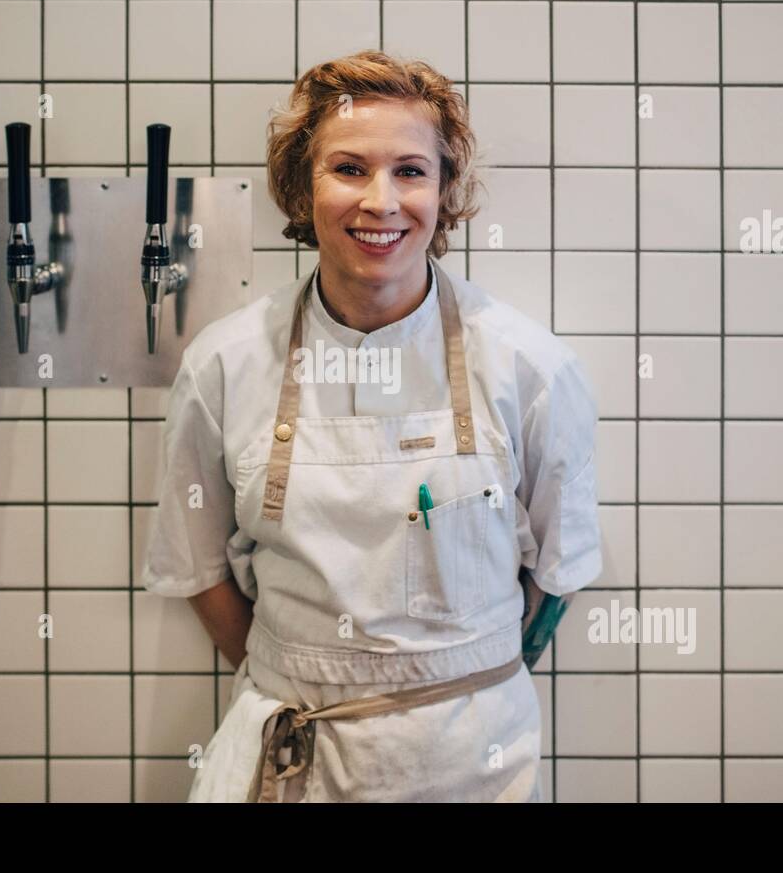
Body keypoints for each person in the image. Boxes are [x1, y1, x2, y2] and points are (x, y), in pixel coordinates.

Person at [142, 49, 602, 802]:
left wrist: (446, 681)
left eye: (412, 172)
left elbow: (558, 572)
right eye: (348, 169)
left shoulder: (531, 370)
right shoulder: (224, 365)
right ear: (301, 188)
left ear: (446, 189)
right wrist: (307, 669)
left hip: (470, 764)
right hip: (289, 753)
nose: (381, 202)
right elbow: (197, 569)